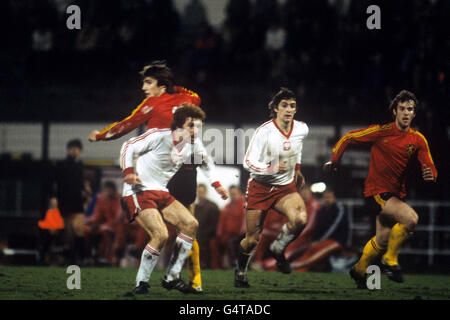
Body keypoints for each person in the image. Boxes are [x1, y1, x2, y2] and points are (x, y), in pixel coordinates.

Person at [88, 60, 205, 293]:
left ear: (161, 84)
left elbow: (126, 125)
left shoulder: (151, 104)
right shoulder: (188, 99)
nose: (143, 87)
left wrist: (100, 136)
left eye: (148, 82)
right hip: (164, 174)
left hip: (170, 173)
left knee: (187, 225)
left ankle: (176, 277)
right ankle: (184, 280)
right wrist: (177, 89)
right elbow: (197, 97)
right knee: (167, 231)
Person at [323, 90, 437, 288]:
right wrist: (334, 159)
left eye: (410, 109)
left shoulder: (418, 140)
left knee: (382, 240)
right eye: (402, 109)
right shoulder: (381, 132)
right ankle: (390, 261)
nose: (406, 113)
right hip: (377, 193)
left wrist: (432, 174)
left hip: (394, 195)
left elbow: (430, 165)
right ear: (394, 111)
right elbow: (348, 138)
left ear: (414, 114)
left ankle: (359, 271)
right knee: (411, 219)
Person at [120, 104, 228, 294]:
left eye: (199, 127)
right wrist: (129, 172)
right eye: (191, 126)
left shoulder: (194, 145)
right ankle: (141, 283)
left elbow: (207, 163)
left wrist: (217, 185)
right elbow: (127, 146)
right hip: (139, 190)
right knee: (161, 234)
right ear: (178, 126)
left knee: (191, 224)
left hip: (162, 192)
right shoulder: (159, 136)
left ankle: (172, 276)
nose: (195, 131)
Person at [235, 87, 309, 288]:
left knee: (301, 219)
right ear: (275, 108)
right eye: (284, 105)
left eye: (292, 106)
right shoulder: (264, 131)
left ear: (296, 109)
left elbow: (298, 148)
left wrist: (298, 168)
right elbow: (247, 162)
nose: (288, 109)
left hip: (285, 188)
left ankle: (278, 248)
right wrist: (271, 168)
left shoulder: (302, 128)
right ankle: (241, 270)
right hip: (260, 187)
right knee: (252, 240)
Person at [289, 189, 349, 272]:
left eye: (329, 197)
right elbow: (318, 227)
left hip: (336, 240)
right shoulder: (322, 210)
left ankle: (295, 265)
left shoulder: (339, 210)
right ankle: (300, 267)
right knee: (311, 248)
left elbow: (333, 227)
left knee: (318, 251)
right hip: (323, 240)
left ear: (334, 198)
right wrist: (315, 240)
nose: (327, 199)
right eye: (325, 197)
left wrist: (319, 240)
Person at [51, 139, 90, 265]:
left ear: (80, 150)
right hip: (63, 200)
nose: (74, 150)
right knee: (58, 229)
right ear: (68, 150)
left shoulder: (81, 165)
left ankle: (82, 257)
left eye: (76, 148)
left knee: (78, 228)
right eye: (72, 148)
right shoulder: (61, 164)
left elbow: (81, 184)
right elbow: (53, 182)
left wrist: (86, 190)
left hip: (76, 201)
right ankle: (52, 253)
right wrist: (54, 198)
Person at [84, 180, 122, 265]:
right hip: (102, 225)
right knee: (85, 230)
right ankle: (86, 256)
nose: (107, 192)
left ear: (114, 190)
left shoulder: (120, 199)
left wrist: (104, 226)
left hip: (115, 227)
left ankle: (104, 258)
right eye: (106, 190)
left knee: (106, 232)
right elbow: (97, 215)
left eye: (109, 190)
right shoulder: (101, 199)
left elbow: (118, 218)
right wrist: (88, 222)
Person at [210, 185, 246, 269]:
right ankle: (217, 268)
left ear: (240, 194)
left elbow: (245, 224)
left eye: (234, 194)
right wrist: (219, 234)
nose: (232, 196)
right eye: (231, 194)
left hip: (239, 235)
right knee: (213, 242)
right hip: (227, 235)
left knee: (231, 242)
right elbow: (221, 223)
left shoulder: (244, 205)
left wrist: (241, 234)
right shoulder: (227, 207)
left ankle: (234, 264)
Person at [193, 184, 220, 269]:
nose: (200, 194)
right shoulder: (195, 207)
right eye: (199, 192)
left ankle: (206, 265)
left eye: (202, 192)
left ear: (205, 192)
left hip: (210, 235)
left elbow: (214, 225)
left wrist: (202, 235)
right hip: (198, 234)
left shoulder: (212, 206)